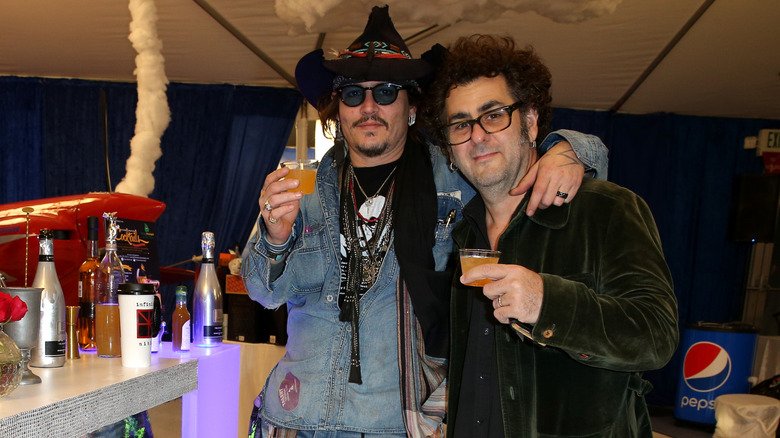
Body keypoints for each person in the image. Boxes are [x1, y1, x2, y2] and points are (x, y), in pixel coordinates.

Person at [241, 7, 608, 437]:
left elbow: (527, 155)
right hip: (295, 416)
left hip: (399, 423)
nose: (369, 107)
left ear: (412, 107)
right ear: (337, 112)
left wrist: (567, 150)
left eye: (386, 92)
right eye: (354, 95)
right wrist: (275, 236)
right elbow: (263, 293)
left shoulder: (456, 176)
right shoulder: (304, 191)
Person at [422, 34, 678, 437]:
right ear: (450, 148)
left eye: (493, 115)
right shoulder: (462, 233)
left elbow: (656, 336)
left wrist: (549, 303)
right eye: (460, 124)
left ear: (530, 121)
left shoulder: (605, 209)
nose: (477, 135)